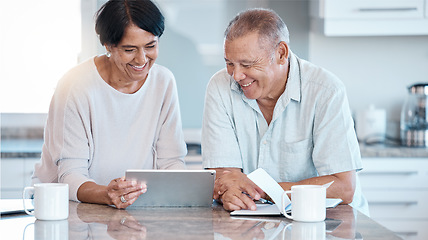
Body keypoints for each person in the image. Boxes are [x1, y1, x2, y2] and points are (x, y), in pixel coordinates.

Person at [201, 8, 369, 215]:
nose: (236, 75)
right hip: (253, 219)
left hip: (328, 221)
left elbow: (344, 187)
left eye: (246, 64)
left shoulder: (326, 91)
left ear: (281, 53)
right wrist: (230, 190)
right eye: (229, 63)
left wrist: (264, 192)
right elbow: (223, 176)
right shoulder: (220, 86)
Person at [32, 0, 187, 209]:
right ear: (108, 46)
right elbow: (69, 175)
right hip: (61, 208)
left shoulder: (163, 82)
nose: (142, 59)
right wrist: (108, 194)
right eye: (129, 49)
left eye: (150, 46)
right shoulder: (75, 86)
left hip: (132, 208)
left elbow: (171, 162)